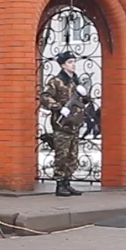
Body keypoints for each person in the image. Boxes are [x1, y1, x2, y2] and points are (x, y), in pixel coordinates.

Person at [39, 51, 89, 197]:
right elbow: (44, 96)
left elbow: (84, 100)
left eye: (74, 61)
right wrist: (60, 107)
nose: (73, 64)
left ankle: (67, 182)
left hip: (75, 124)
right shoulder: (56, 81)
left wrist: (85, 96)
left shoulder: (76, 81)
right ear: (62, 65)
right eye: (70, 62)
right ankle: (60, 184)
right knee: (62, 155)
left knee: (72, 156)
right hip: (62, 125)